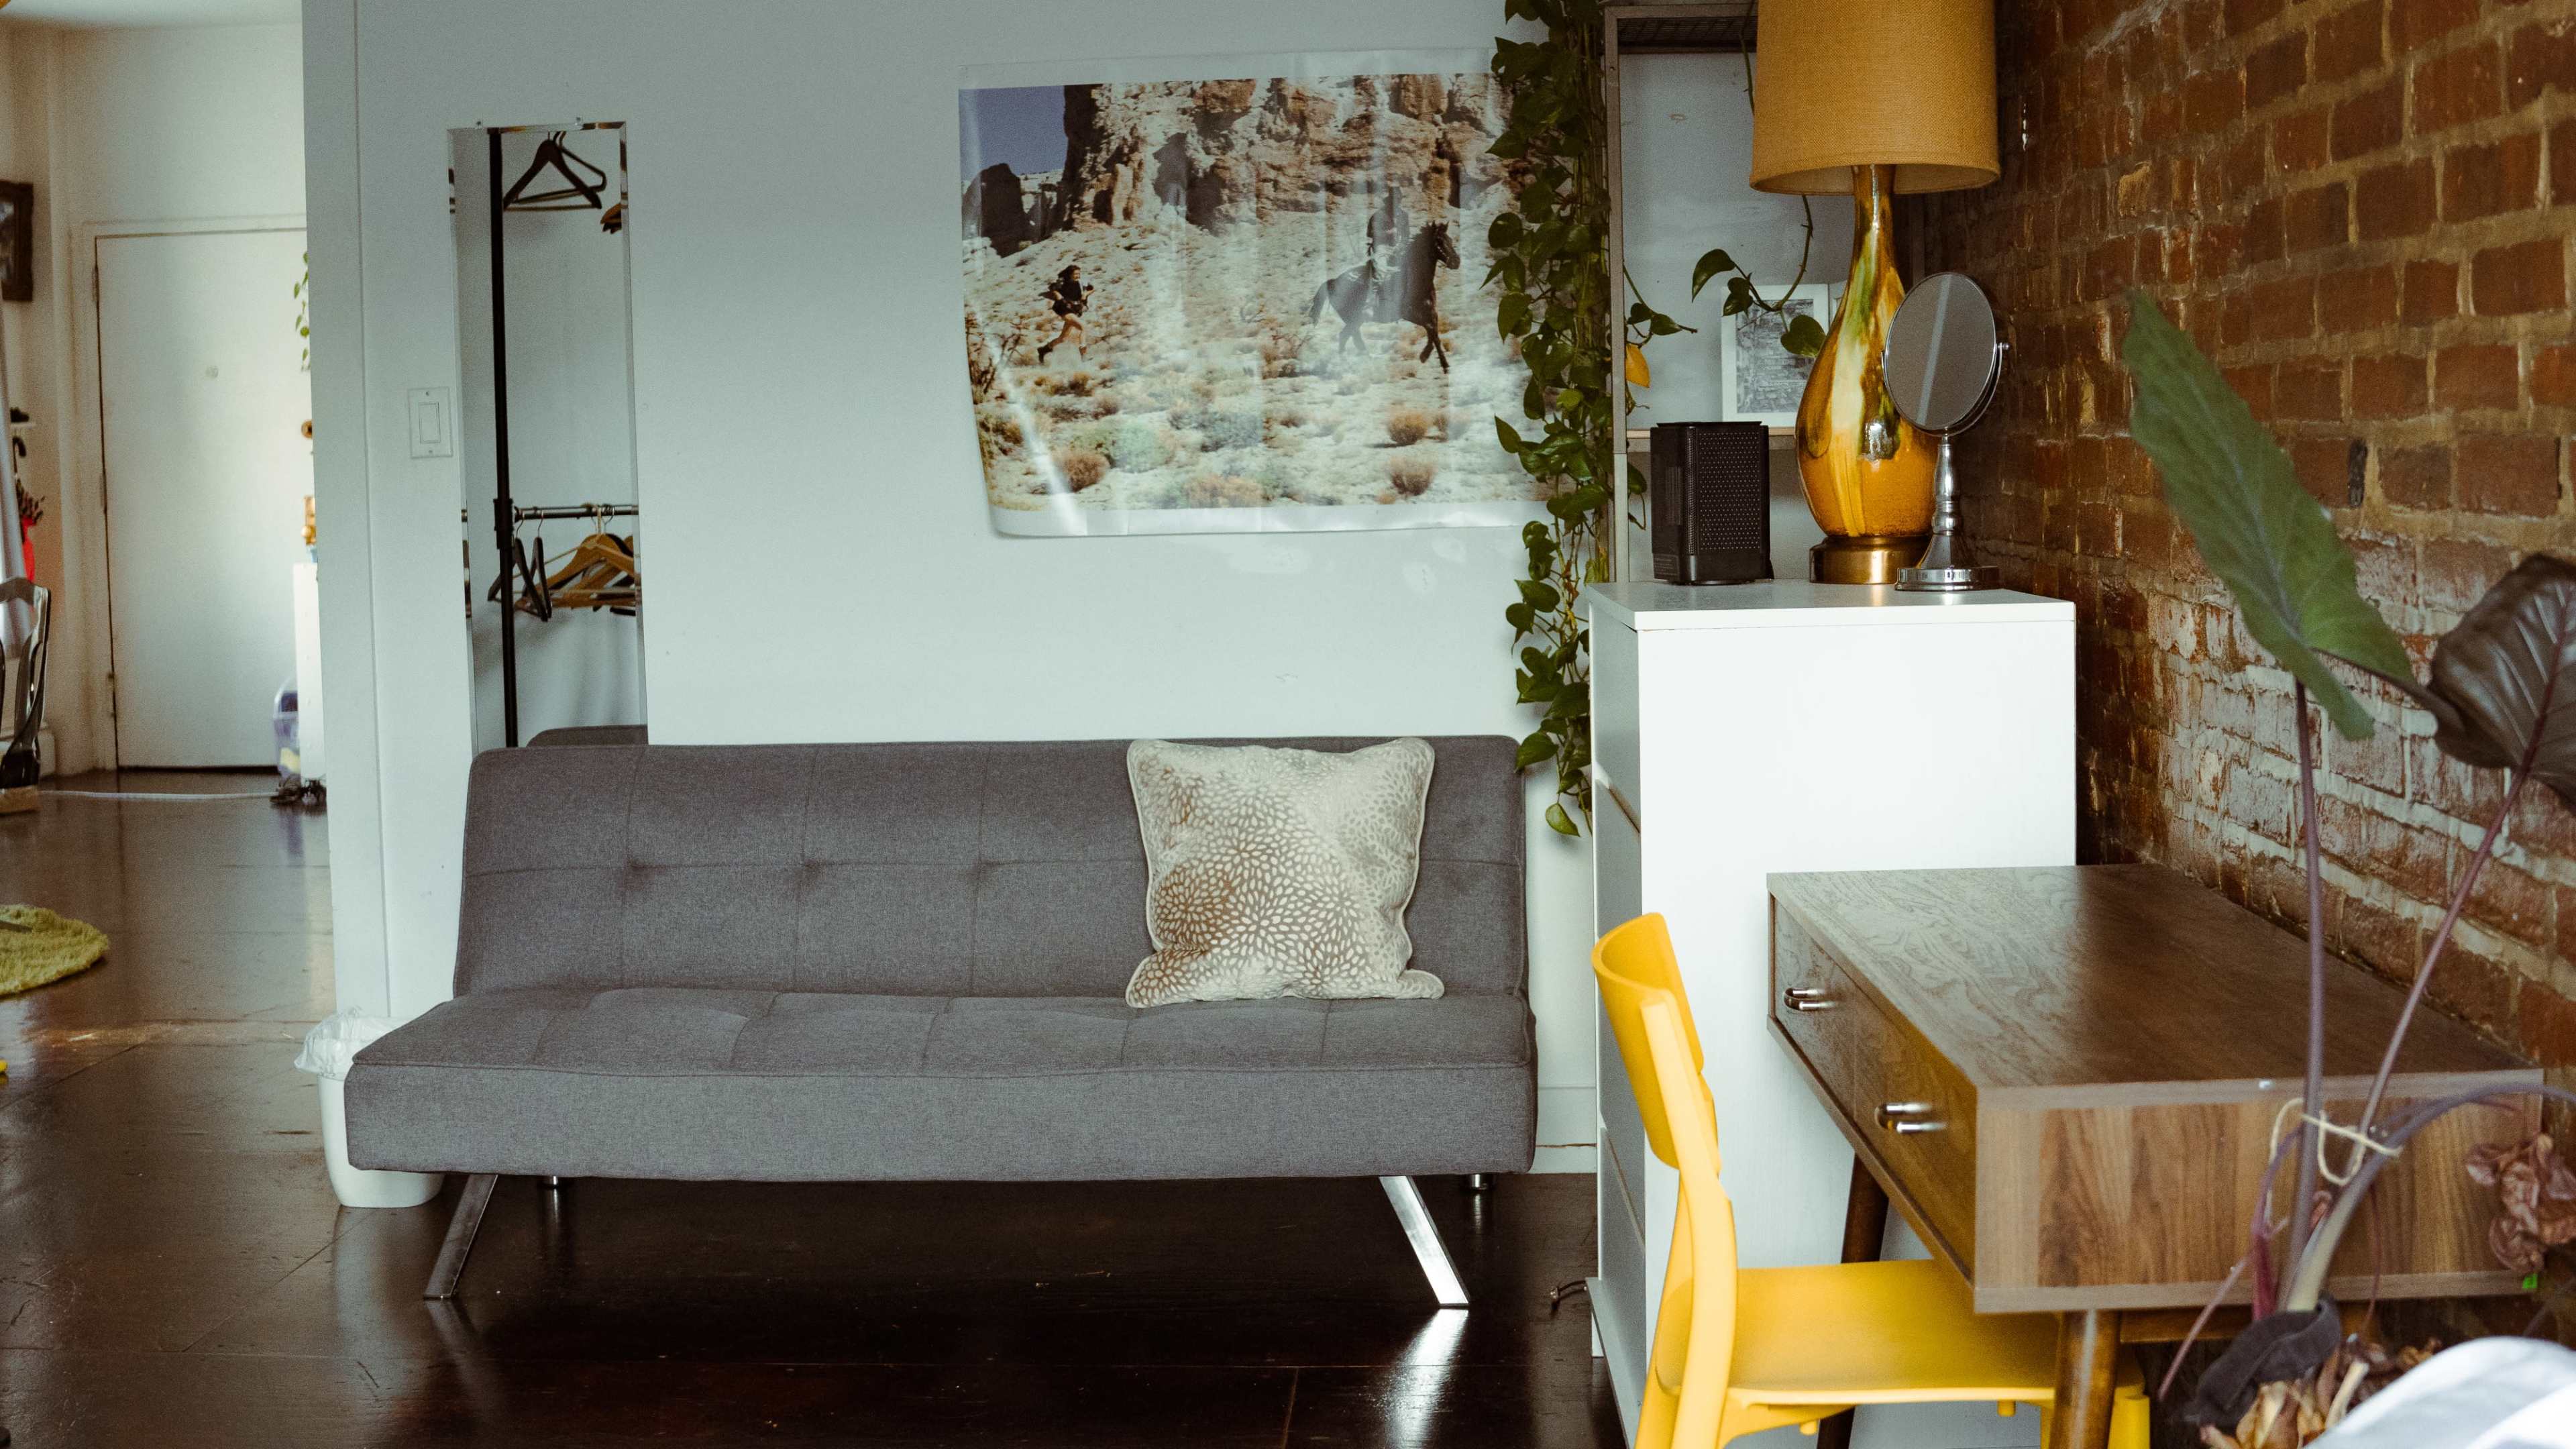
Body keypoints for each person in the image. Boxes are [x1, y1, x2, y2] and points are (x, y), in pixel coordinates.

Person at [1036, 264, 1089, 363]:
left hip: (1073, 310)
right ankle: (1083, 354)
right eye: (1076, 274)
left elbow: (1090, 289)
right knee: (1083, 326)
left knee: (1062, 339)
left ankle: (1043, 350)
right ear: (1070, 274)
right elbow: (1052, 288)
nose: (1078, 276)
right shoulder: (1063, 283)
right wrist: (1058, 295)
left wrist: (1086, 294)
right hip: (1064, 309)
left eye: (1079, 274)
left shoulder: (1079, 284)